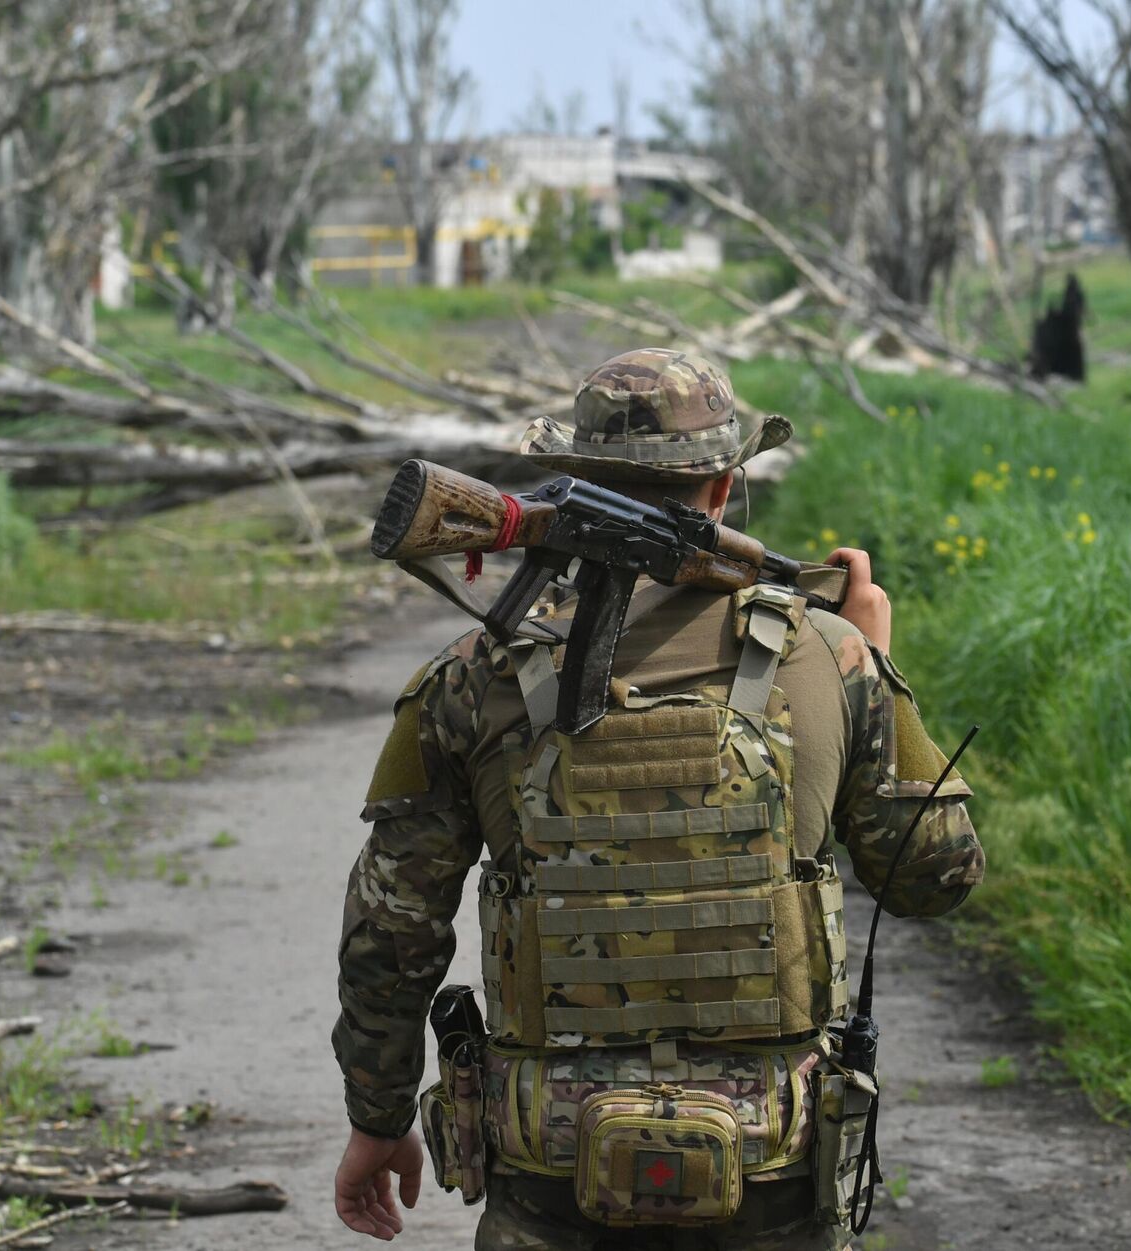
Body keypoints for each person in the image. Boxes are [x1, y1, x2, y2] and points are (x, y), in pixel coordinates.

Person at [332, 348, 984, 1250]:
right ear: (723, 485)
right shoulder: (828, 658)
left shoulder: (467, 677)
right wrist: (874, 659)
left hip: (549, 1175)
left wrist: (376, 1118)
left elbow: (390, 932)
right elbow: (937, 875)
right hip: (771, 1172)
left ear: (574, 477)